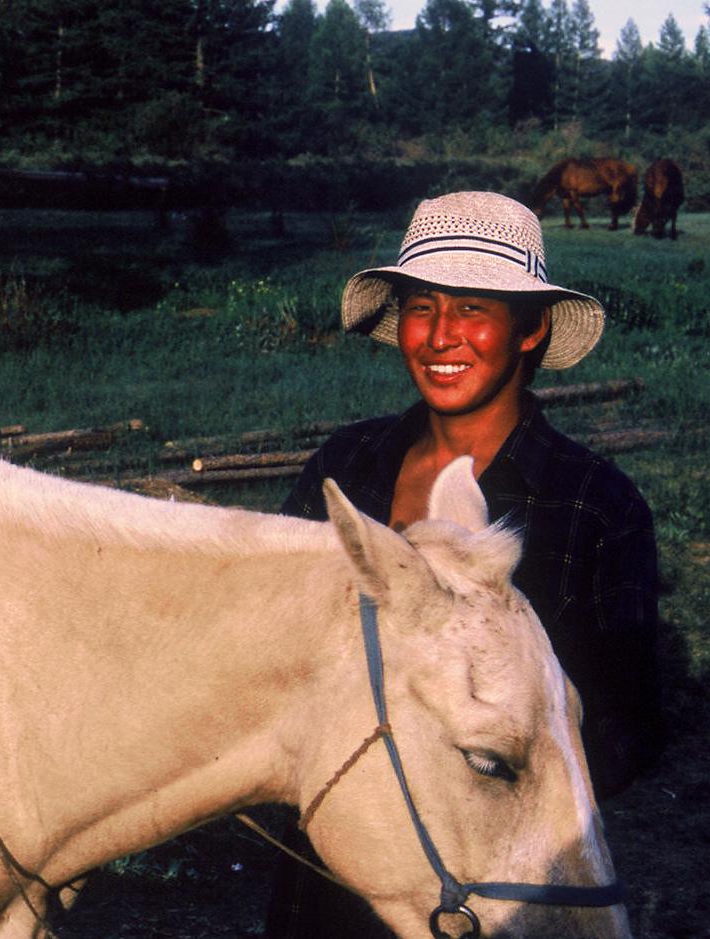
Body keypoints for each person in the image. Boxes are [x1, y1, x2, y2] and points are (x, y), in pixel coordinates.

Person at [266, 191, 662, 937]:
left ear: (530, 326)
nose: (442, 335)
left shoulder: (597, 508)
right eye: (423, 306)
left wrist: (485, 765)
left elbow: (629, 726)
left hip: (490, 891)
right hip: (325, 881)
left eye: (474, 307)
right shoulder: (345, 468)